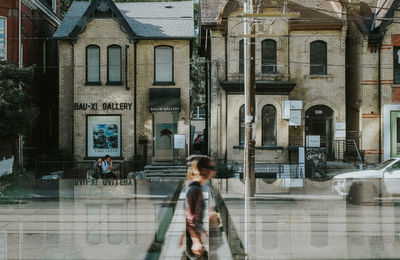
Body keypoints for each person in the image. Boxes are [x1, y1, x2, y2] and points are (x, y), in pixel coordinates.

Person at [185, 155, 216, 259]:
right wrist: (196, 241)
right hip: (193, 241)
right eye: (211, 168)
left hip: (194, 237)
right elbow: (191, 218)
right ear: (203, 169)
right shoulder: (195, 190)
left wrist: (203, 231)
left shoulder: (195, 187)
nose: (214, 172)